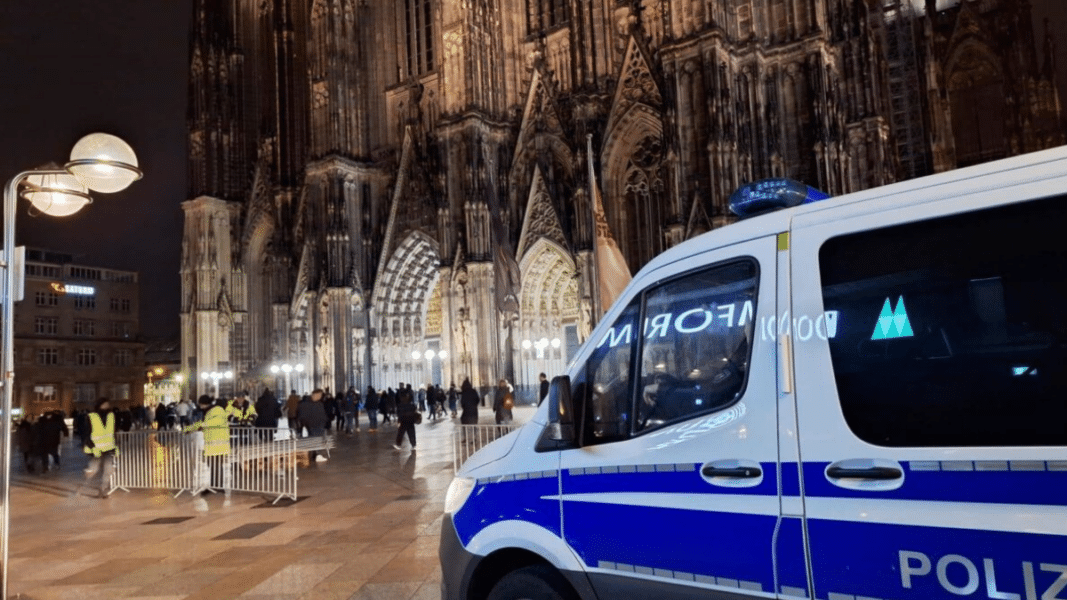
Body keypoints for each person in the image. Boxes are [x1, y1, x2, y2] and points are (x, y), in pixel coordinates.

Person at [183, 395, 231, 492]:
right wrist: (188, 429)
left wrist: (202, 425)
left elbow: (215, 422)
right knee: (212, 466)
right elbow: (202, 423)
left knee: (216, 466)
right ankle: (213, 486)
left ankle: (219, 487)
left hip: (218, 444)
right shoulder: (209, 411)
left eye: (201, 404)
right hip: (213, 445)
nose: (200, 406)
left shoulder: (218, 410)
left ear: (204, 403)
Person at [82, 398, 118, 498]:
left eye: (107, 404)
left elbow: (113, 432)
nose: (107, 406)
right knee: (92, 469)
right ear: (99, 405)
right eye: (104, 404)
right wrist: (91, 446)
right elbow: (86, 432)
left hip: (109, 448)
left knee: (109, 470)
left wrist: (115, 445)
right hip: (96, 448)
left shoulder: (111, 416)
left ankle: (103, 490)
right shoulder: (91, 417)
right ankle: (86, 479)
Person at [298, 389, 329, 463]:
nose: (320, 397)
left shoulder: (318, 403)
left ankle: (315, 455)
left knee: (317, 439)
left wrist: (325, 420)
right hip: (313, 425)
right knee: (316, 439)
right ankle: (318, 455)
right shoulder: (306, 404)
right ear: (315, 394)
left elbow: (322, 414)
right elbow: (302, 416)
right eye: (319, 395)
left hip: (319, 425)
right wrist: (308, 423)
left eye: (321, 395)